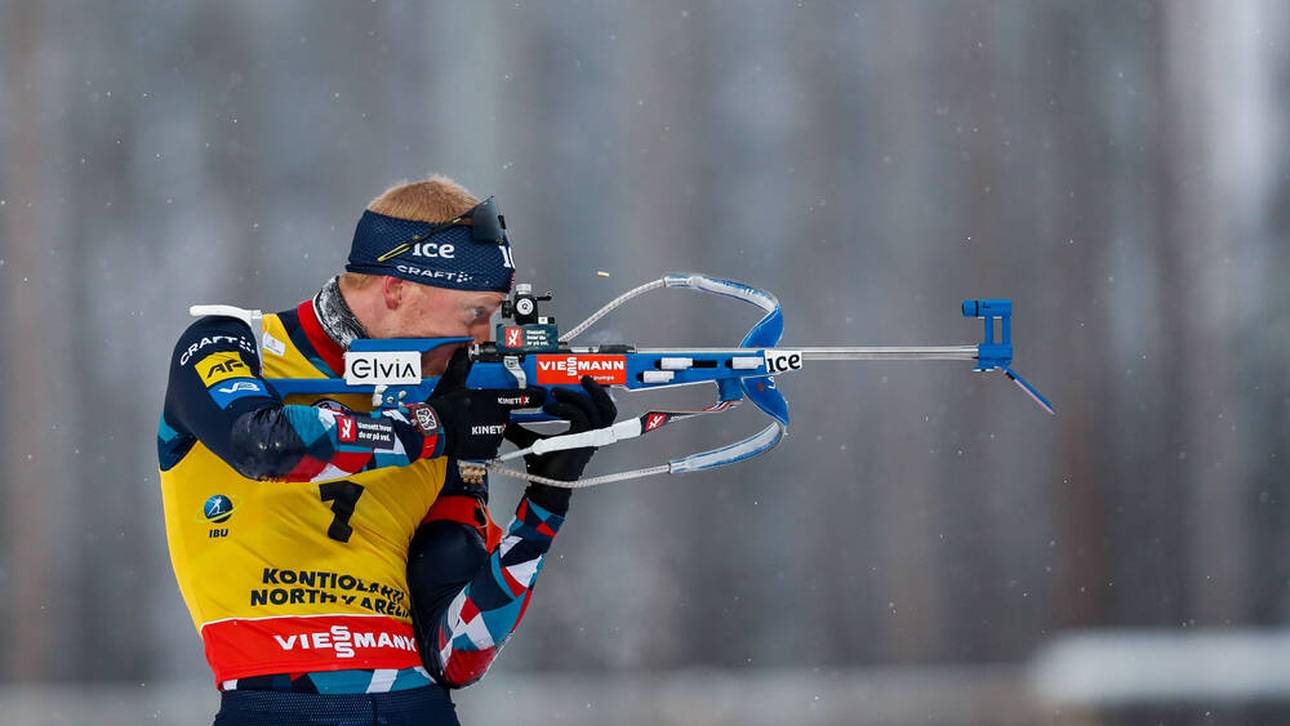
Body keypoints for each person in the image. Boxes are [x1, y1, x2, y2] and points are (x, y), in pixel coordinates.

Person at [158, 176, 615, 725]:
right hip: (278, 705)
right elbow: (261, 443)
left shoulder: (446, 401)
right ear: (397, 292)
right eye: (473, 313)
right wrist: (431, 428)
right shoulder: (236, 343)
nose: (481, 337)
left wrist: (542, 509)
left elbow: (457, 657)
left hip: (416, 708)